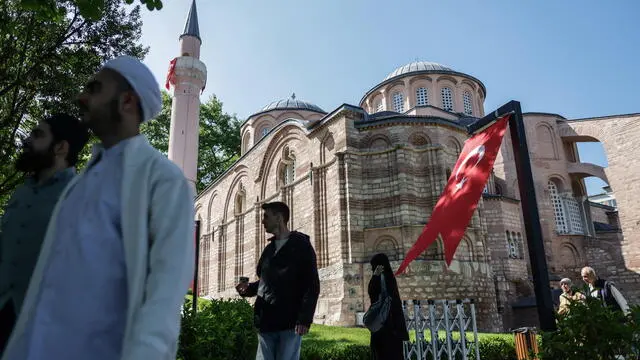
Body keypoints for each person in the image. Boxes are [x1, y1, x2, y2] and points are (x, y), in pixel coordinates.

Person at [1, 56, 195, 360]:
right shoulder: (78, 186)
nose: (82, 97)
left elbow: (165, 293)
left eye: (94, 88)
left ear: (126, 101)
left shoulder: (162, 178)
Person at [0, 114, 89, 354]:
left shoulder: (83, 197)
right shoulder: (21, 193)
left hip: (44, 331)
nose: (27, 140)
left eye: (38, 135)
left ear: (60, 147)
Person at [236, 201, 320, 360]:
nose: (262, 221)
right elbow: (266, 282)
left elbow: (312, 285)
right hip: (266, 321)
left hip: (290, 323)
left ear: (279, 218)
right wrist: (248, 289)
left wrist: (305, 319)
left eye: (266, 217)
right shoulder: (269, 250)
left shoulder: (301, 245)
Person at [367, 253, 409, 360]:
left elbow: (373, 294)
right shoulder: (389, 277)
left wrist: (375, 277)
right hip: (391, 326)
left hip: (384, 326)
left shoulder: (383, 279)